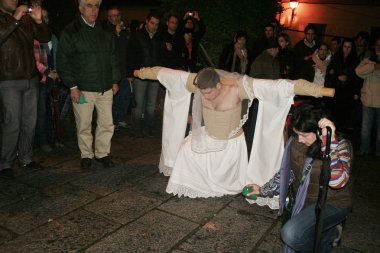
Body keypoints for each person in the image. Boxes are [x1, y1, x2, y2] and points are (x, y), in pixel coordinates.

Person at [133, 66, 333, 200]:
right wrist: (142, 72)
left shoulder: (238, 88)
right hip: (206, 135)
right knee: (184, 151)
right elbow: (167, 73)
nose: (205, 96)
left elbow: (278, 86)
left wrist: (319, 90)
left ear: (219, 85)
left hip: (230, 142)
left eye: (209, 92)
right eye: (201, 92)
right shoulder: (199, 82)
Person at [245, 102, 353, 252]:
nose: (300, 139)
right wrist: (263, 190)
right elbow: (288, 172)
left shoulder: (340, 147)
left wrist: (329, 144)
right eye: (297, 133)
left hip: (332, 203)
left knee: (291, 234)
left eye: (305, 135)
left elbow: (338, 182)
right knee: (307, 237)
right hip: (305, 202)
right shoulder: (296, 143)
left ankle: (328, 234)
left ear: (319, 131)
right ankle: (329, 233)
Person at [57, 0, 120, 169]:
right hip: (83, 89)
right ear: (80, 8)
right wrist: (72, 86)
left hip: (105, 88)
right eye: (89, 5)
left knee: (107, 123)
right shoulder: (71, 31)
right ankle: (86, 155)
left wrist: (115, 80)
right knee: (84, 124)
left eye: (97, 6)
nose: (94, 10)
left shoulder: (106, 30)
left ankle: (102, 153)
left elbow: (113, 57)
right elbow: (63, 62)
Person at [0, 0, 51, 178]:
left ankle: (26, 158)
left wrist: (38, 21)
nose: (14, 0)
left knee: (30, 122)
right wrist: (14, 19)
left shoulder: (26, 19)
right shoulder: (6, 18)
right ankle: (5, 163)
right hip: (8, 77)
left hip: (31, 76)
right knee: (12, 122)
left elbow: (45, 37)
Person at [125, 10, 164, 138]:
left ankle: (148, 129)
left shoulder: (159, 37)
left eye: (157, 24)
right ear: (147, 21)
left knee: (151, 104)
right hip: (140, 73)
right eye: (152, 23)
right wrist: (130, 73)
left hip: (154, 75)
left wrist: (162, 73)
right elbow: (130, 55)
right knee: (138, 103)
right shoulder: (137, 35)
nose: (154, 26)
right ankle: (135, 130)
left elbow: (161, 56)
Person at [34, 8, 61, 153]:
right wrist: (47, 72)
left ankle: (54, 139)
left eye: (46, 17)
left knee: (53, 111)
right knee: (42, 112)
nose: (44, 20)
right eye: (41, 17)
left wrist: (57, 72)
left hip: (53, 78)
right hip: (41, 79)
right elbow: (34, 60)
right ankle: (43, 142)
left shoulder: (53, 37)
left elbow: (57, 56)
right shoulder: (34, 36)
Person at [325, 38, 360, 133]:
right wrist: (337, 77)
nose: (347, 49)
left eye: (349, 47)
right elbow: (329, 72)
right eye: (345, 46)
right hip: (336, 90)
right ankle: (334, 133)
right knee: (335, 113)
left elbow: (357, 76)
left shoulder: (355, 60)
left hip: (348, 91)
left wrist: (356, 91)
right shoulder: (336, 57)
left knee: (345, 114)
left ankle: (342, 135)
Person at [106, 6, 131, 130]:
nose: (114, 18)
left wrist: (130, 72)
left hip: (124, 70)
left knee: (124, 96)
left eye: (116, 15)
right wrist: (115, 33)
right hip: (111, 71)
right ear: (108, 17)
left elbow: (128, 52)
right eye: (112, 16)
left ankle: (120, 118)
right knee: (113, 98)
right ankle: (113, 121)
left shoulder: (125, 31)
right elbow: (109, 48)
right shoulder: (105, 30)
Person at [355, 37, 380, 159]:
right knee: (365, 128)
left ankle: (378, 152)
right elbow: (358, 71)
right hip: (367, 99)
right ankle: (364, 149)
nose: (378, 47)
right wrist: (374, 67)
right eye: (377, 45)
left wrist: (370, 71)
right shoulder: (369, 58)